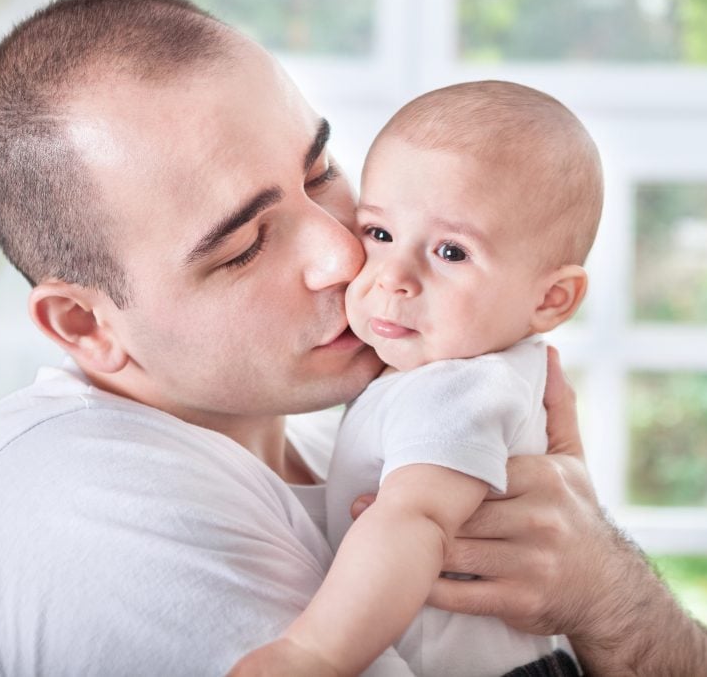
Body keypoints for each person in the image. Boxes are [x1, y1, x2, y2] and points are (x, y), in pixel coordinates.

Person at [0, 0, 707, 675]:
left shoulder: (352, 434)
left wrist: (607, 590)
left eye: (321, 171)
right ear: (86, 324)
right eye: (244, 245)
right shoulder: (89, 508)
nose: (344, 250)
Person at [244, 80, 600, 677]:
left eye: (451, 252)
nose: (393, 277)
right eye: (380, 234)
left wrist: (313, 654)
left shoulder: (459, 388)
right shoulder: (447, 372)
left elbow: (415, 522)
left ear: (550, 299)